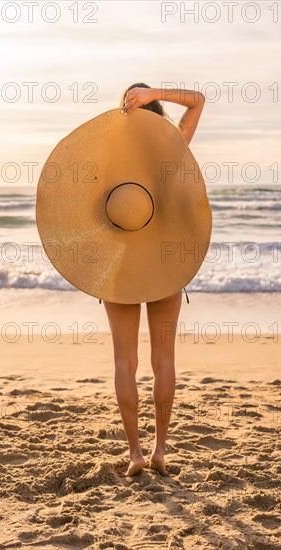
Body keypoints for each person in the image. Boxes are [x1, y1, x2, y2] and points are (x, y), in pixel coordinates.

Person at [102, 83, 206, 477]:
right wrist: (152, 95)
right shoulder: (172, 150)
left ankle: (136, 454)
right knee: (164, 361)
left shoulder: (111, 159)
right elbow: (198, 100)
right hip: (165, 267)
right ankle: (160, 449)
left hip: (121, 269)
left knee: (123, 363)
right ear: (159, 110)